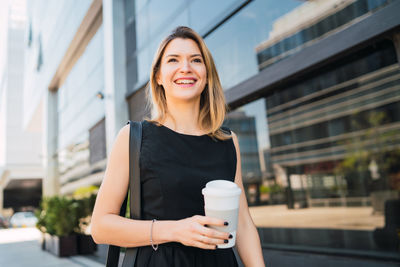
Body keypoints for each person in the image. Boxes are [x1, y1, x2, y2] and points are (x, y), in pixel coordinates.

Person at [91, 26, 265, 267]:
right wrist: (175, 230)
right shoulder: (134, 137)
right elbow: (100, 227)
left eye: (196, 60)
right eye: (173, 60)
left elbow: (243, 223)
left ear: (206, 76)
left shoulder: (228, 140)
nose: (186, 68)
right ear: (159, 76)